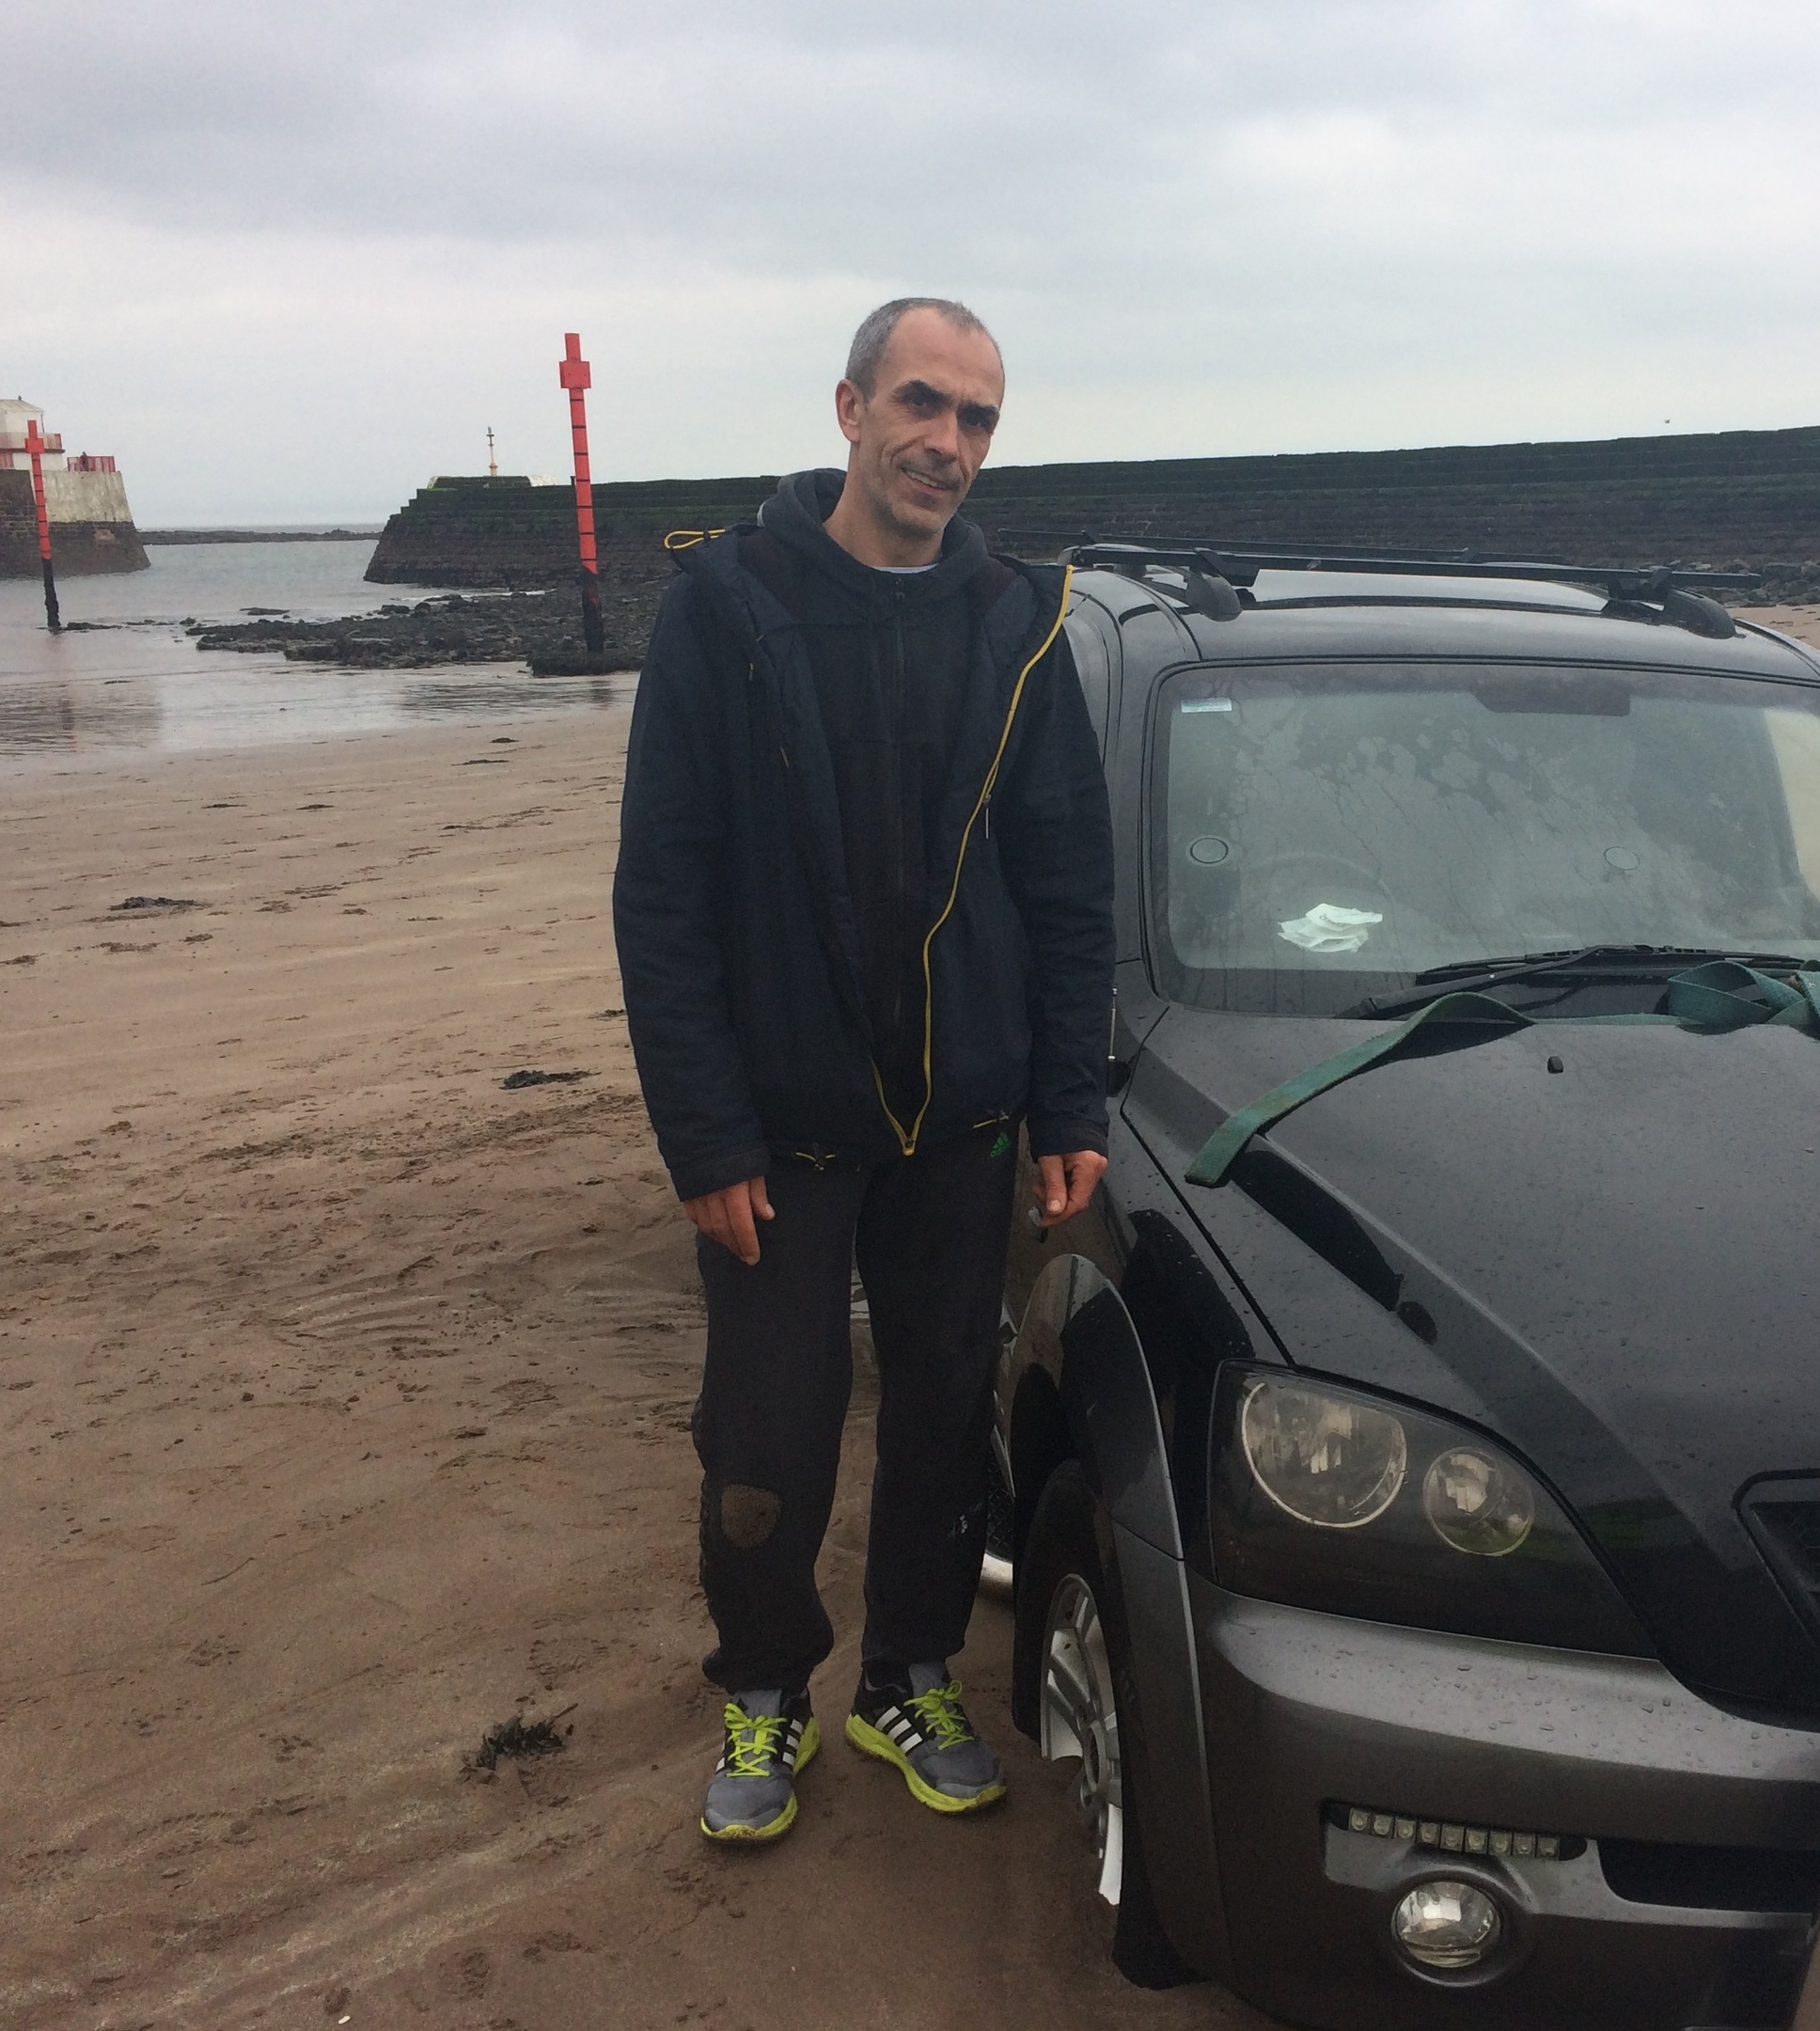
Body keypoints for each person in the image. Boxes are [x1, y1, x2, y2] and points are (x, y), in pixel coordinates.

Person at [613, 298, 1113, 1843]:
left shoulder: (1017, 626)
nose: (946, 444)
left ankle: (906, 1672)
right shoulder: (727, 609)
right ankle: (766, 1686)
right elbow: (664, 893)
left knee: (947, 1409)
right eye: (921, 405)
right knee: (764, 1432)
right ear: (847, 409)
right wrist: (703, 1134)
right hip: (781, 1134)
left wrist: (1068, 1103)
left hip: (961, 1122)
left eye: (976, 421)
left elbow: (1068, 882)